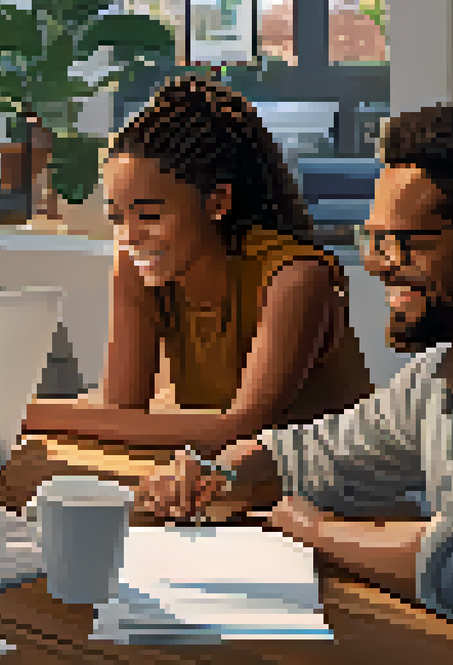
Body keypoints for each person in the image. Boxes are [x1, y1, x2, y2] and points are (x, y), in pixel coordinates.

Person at [137, 102, 453, 628]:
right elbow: (320, 453)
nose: (379, 263)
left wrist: (312, 530)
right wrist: (225, 473)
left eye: (406, 242)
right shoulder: (435, 380)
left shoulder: (294, 275)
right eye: (374, 238)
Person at [22, 75, 373, 454]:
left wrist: (24, 415)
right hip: (230, 483)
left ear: (217, 202)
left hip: (337, 492)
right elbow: (122, 408)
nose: (128, 236)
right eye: (117, 217)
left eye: (150, 216)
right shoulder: (138, 263)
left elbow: (240, 428)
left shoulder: (295, 277)